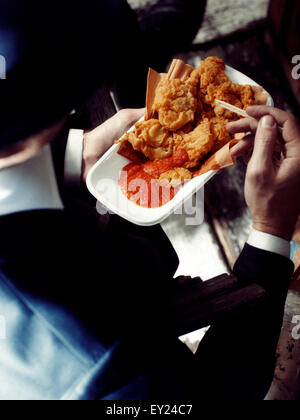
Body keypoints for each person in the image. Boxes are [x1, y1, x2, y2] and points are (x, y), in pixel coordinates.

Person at [1, 0, 300, 401]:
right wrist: (271, 230)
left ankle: (140, 54)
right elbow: (216, 393)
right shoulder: (108, 374)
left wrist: (79, 151)